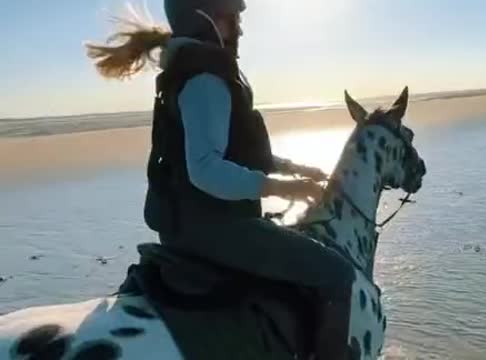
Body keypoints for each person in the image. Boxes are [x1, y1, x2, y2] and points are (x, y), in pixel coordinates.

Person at [86, 0, 355, 358]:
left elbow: (237, 153)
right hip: (216, 228)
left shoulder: (192, 68)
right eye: (233, 18)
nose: (240, 29)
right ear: (204, 18)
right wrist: (279, 187)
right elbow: (206, 170)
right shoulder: (206, 77)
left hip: (190, 224)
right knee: (337, 273)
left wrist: (295, 169)